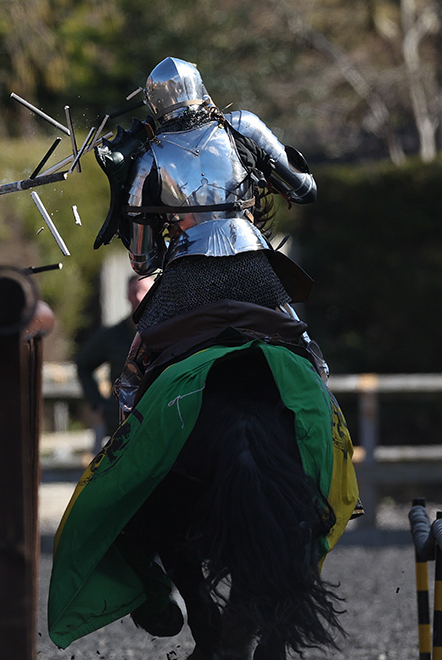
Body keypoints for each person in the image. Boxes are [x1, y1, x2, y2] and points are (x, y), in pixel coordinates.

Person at [93, 56, 325, 420]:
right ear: (201, 89)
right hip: (252, 262)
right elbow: (304, 190)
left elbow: (144, 262)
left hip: (187, 275)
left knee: (131, 382)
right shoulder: (242, 127)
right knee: (310, 356)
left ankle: (125, 451)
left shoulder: (147, 160)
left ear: (155, 104)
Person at [75, 272, 154, 450]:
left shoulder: (166, 330)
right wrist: (98, 404)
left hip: (156, 415)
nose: (138, 297)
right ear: (127, 296)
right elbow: (83, 365)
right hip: (120, 422)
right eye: (134, 292)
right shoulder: (112, 335)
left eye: (143, 291)